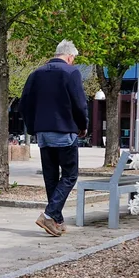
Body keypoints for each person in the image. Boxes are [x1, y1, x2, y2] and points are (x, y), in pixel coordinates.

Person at [20, 40, 89, 237]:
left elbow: (24, 104)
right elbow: (79, 103)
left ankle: (56, 221)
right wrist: (82, 125)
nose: (73, 61)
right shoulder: (71, 72)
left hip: (42, 133)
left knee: (51, 178)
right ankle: (50, 214)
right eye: (73, 58)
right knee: (69, 175)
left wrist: (33, 127)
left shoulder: (36, 74)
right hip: (64, 131)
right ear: (69, 56)